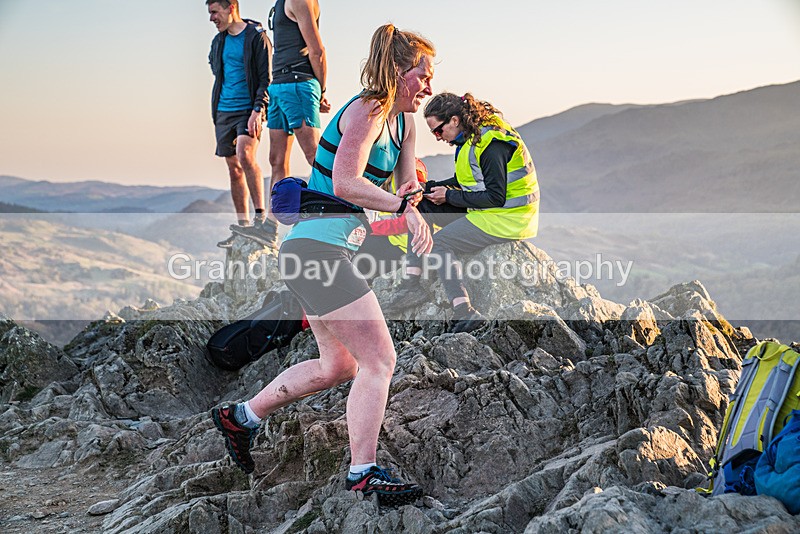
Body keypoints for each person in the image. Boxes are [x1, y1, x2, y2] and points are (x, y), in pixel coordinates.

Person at [212, 24, 435, 506]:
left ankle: (241, 418)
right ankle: (363, 473)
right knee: (380, 360)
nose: (430, 87)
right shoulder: (368, 109)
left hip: (322, 255)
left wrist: (411, 198)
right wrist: (402, 211)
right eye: (423, 74)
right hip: (317, 254)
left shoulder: (403, 123)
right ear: (400, 71)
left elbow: (400, 188)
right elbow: (346, 183)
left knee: (338, 365)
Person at [384, 92, 540, 333]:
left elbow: (495, 197)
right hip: (489, 210)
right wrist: (424, 188)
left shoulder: (491, 143)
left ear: (455, 120)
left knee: (440, 243)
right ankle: (410, 285)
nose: (437, 138)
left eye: (438, 131)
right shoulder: (469, 140)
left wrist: (448, 196)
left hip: (509, 216)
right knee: (422, 206)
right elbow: (465, 181)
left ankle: (464, 311)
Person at [207, 0, 278, 249]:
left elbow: (265, 77)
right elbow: (218, 72)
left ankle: (260, 220)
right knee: (233, 168)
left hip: (250, 109)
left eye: (215, 12)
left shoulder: (256, 37)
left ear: (231, 7)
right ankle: (243, 226)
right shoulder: (219, 41)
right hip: (223, 110)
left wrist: (259, 109)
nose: (212, 18)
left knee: (245, 155)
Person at [267, 0, 331, 185]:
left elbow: (317, 51)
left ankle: (340, 209)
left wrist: (322, 91)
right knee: (276, 161)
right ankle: (275, 214)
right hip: (278, 84)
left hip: (297, 82)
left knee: (314, 156)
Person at [353, 159, 429, 285]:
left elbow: (414, 220)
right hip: (389, 238)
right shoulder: (376, 177)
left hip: (406, 245)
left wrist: (374, 229)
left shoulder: (412, 174)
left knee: (359, 257)